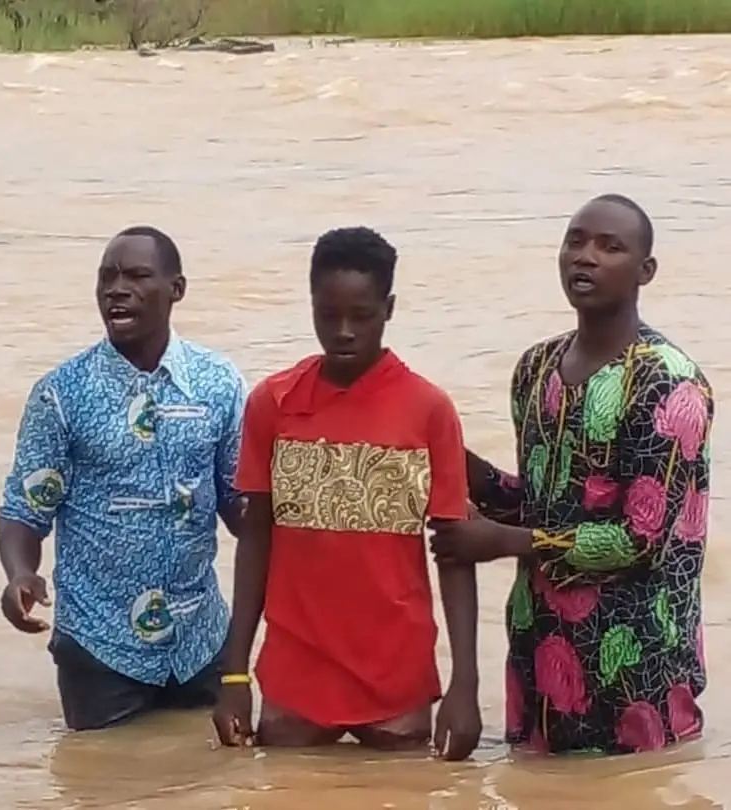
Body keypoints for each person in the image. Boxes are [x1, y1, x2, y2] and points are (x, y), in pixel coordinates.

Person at [430, 194, 713, 756]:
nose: (586, 257)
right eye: (576, 241)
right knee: (536, 788)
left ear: (646, 271)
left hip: (636, 665)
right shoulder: (536, 368)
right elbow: (540, 503)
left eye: (610, 247)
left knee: (634, 790)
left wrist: (502, 542)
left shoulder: (669, 383)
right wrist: (458, 464)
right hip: (539, 656)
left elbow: (640, 541)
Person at [212, 226, 482, 760]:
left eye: (361, 316)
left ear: (389, 309)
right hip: (296, 674)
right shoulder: (273, 404)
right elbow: (256, 538)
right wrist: (235, 674)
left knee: (401, 793)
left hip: (396, 673)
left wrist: (464, 686)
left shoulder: (428, 410)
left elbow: (454, 553)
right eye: (328, 314)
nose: (343, 332)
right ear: (311, 303)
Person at [0, 225, 247, 732]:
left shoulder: (219, 384)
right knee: (101, 773)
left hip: (201, 644)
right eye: (107, 277)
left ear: (176, 289)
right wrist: (20, 574)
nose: (117, 289)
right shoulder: (61, 395)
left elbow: (240, 504)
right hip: (100, 648)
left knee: (218, 773)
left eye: (136, 276)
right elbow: (24, 511)